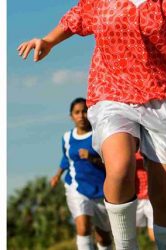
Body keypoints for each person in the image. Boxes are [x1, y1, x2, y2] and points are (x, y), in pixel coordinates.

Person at [17, 1, 166, 249]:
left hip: (162, 97)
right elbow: (78, 17)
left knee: (163, 196)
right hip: (111, 92)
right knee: (119, 168)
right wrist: (49, 40)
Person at [50, 97, 112, 250]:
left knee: (103, 237)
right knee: (83, 228)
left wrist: (91, 158)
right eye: (77, 112)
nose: (81, 115)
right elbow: (66, 158)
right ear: (71, 116)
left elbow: (111, 162)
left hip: (101, 190)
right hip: (76, 187)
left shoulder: (99, 135)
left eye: (84, 111)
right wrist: (57, 174)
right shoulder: (67, 138)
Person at [134, 151, 155, 243]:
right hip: (134, 198)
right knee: (130, 236)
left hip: (152, 197)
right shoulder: (128, 148)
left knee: (156, 236)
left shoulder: (152, 148)